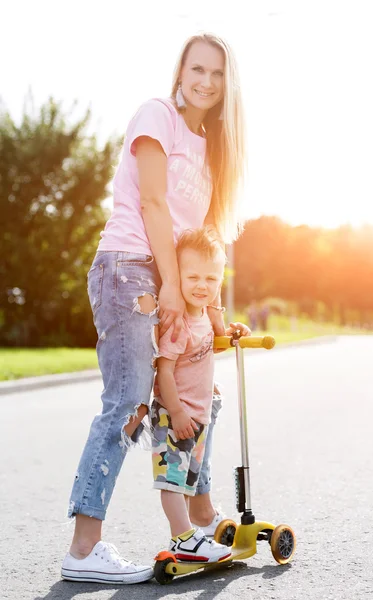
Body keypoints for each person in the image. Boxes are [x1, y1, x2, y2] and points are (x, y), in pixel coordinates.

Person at [61, 32, 246, 584]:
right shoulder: (157, 114)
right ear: (181, 70)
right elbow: (153, 202)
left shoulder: (212, 149)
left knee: (196, 394)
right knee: (127, 403)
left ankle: (202, 520)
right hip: (130, 269)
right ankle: (84, 547)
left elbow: (204, 242)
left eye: (217, 73)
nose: (206, 81)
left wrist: (213, 316)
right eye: (197, 68)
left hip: (168, 277)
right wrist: (167, 285)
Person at [153, 227, 250, 562]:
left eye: (211, 279)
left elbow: (206, 350)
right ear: (176, 276)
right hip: (175, 413)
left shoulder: (203, 319)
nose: (201, 286)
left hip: (197, 415)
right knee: (173, 481)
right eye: (192, 277)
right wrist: (177, 412)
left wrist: (234, 331)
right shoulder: (179, 322)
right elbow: (164, 370)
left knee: (188, 479)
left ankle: (189, 535)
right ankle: (182, 538)